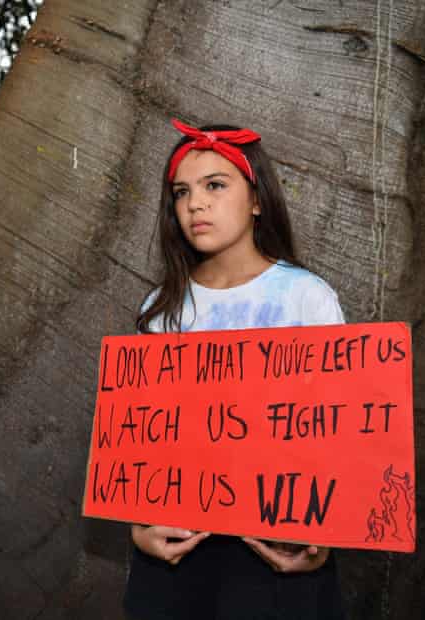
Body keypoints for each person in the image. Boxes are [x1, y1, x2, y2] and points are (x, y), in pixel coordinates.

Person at [123, 119, 346, 620]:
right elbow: (141, 434)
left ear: (257, 199)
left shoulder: (308, 298)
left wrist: (323, 537)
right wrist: (140, 527)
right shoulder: (161, 308)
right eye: (182, 192)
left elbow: (338, 428)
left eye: (215, 185)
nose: (194, 204)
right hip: (179, 553)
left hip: (277, 546)